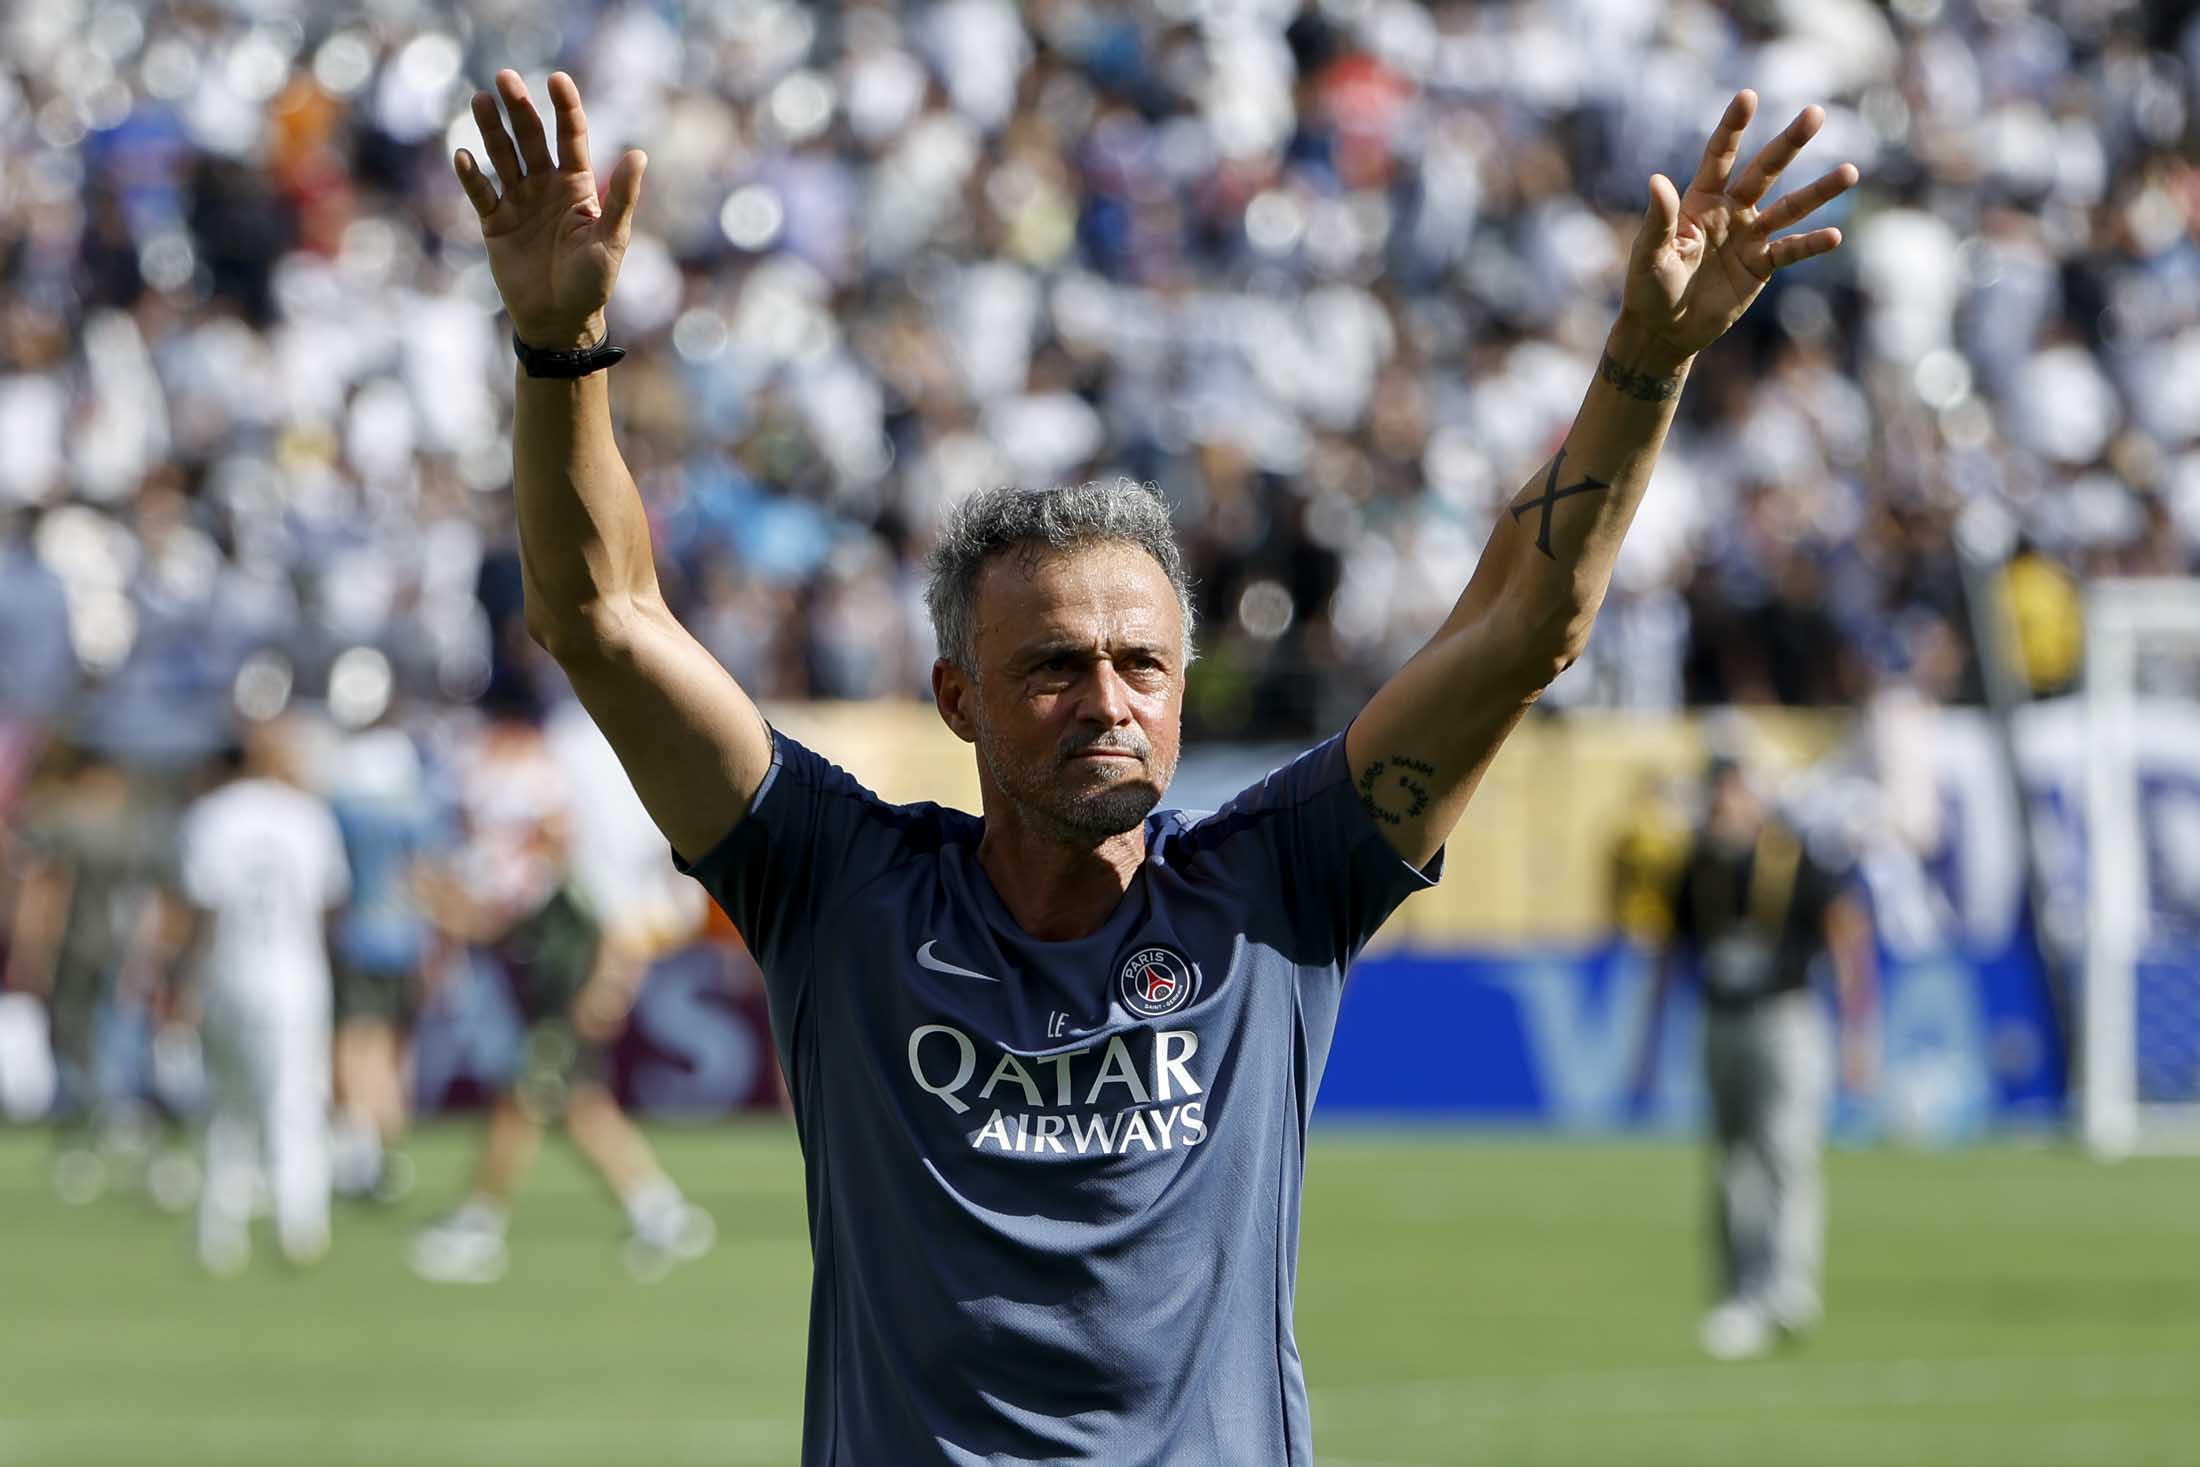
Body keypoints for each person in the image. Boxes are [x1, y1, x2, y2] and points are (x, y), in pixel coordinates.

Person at [453, 68, 1855, 1461]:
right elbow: (603, 619)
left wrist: (1647, 359)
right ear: (957, 699)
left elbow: (1521, 628)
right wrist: (561, 348)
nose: (1106, 702)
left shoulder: (1279, 883)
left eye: (1142, 665)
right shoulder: (835, 883)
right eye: (1053, 666)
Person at [407, 698, 713, 1285]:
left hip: (571, 983)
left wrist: (607, 979)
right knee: (577, 1101)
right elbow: (500, 921)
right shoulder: (535, 865)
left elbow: (571, 921)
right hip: (558, 981)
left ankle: (479, 1224)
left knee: (524, 1094)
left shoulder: (565, 869)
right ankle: (660, 1212)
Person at [1632, 752, 1877, 1361]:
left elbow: (1847, 935)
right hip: (1721, 1019)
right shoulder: (1695, 865)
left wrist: (1858, 1035)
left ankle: (1787, 1292)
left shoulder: (1792, 858)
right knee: (1731, 1162)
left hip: (1785, 1018)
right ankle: (1740, 1294)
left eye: (1732, 794)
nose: (1723, 807)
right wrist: (1648, 1045)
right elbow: (1667, 953)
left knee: (1786, 1154)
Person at [176, 719, 353, 1274]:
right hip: (295, 975)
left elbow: (200, 906)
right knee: (295, 1101)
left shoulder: (212, 814)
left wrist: (184, 981)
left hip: (227, 971)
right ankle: (299, 1223)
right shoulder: (309, 816)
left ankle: (219, 1231)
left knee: (229, 1100)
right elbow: (329, 903)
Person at [3, 742, 175, 1204]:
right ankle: (115, 1120)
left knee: (76, 1042)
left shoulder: (68, 823)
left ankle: (89, 1124)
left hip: (77, 948)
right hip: (116, 949)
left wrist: (31, 949)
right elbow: (146, 902)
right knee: (112, 1037)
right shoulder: (131, 827)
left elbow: (48, 891)